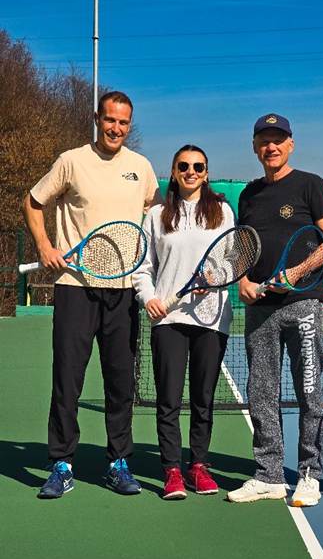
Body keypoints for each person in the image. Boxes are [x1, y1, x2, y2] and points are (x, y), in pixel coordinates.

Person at [23, 91, 160, 499]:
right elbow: (32, 202)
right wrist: (45, 246)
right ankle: (61, 463)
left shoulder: (141, 168)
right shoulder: (71, 161)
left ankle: (118, 463)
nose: (116, 128)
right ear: (97, 118)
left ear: (129, 125)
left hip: (123, 292)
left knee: (120, 384)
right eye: (110, 120)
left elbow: (157, 218)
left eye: (123, 122)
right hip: (75, 289)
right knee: (67, 381)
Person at [227, 114, 323, 507]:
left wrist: (297, 272)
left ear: (290, 144)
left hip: (304, 304)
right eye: (264, 140)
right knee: (261, 393)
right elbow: (242, 247)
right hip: (260, 309)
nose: (271, 147)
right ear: (255, 147)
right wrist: (242, 280)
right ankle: (269, 475)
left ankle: (309, 474)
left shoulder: (310, 184)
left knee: (310, 392)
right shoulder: (248, 194)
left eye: (278, 140)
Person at [132, 145, 235, 500]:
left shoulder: (222, 211)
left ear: (206, 173)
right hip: (169, 319)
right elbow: (143, 267)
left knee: (203, 399)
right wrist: (149, 298)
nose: (191, 171)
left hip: (212, 320)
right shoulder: (157, 214)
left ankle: (199, 466)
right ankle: (172, 470)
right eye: (184, 166)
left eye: (198, 166)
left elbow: (232, 259)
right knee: (169, 399)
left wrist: (215, 277)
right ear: (174, 172)